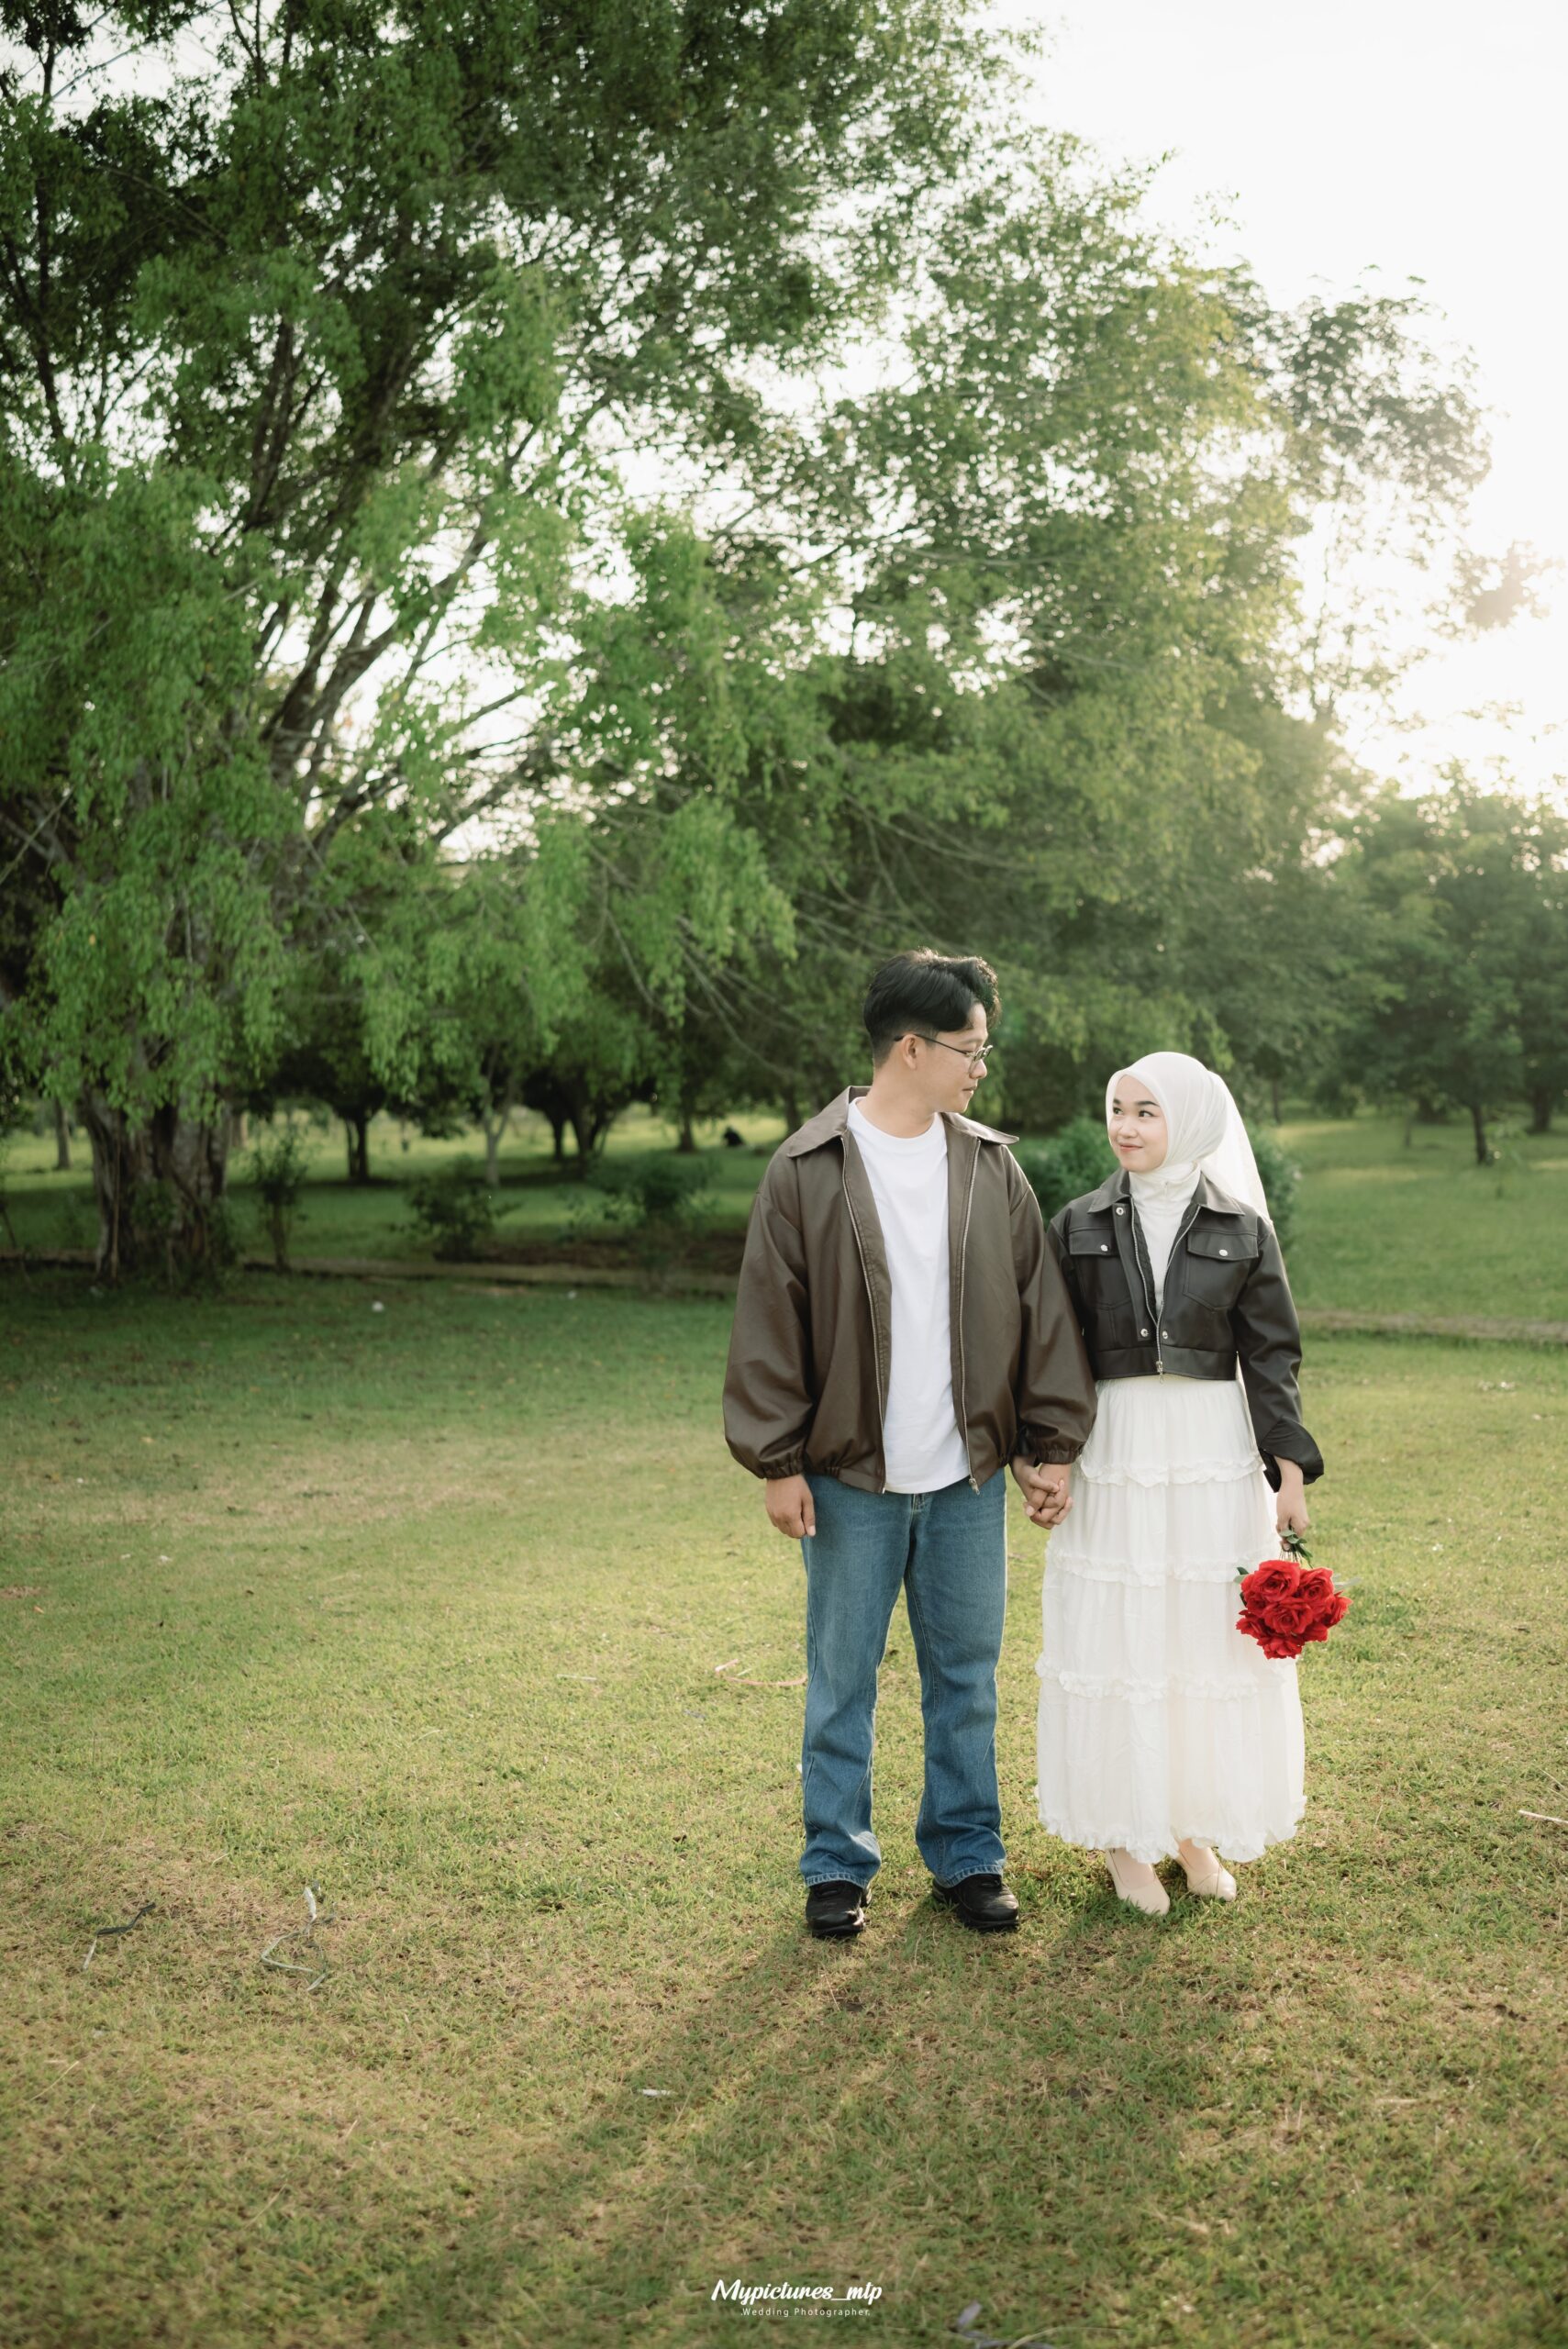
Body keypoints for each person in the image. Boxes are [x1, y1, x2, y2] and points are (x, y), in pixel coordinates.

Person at [723, 950, 1097, 1940]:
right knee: (840, 1679)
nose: (981, 1066)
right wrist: (778, 1463)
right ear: (910, 1048)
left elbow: (1038, 1308)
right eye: (969, 1049)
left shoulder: (988, 1164)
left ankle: (968, 1856)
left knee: (965, 1680)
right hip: (848, 1478)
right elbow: (769, 1323)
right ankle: (835, 1866)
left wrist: (1049, 1442)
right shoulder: (805, 1169)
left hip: (966, 1479)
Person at [1035, 1052, 1323, 1915]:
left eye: (1145, 1111)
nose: (1124, 1126)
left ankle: (1190, 1827)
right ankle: (1124, 1839)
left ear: (1189, 1120)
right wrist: (1051, 1451)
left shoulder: (1241, 1228)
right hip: (1116, 1449)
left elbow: (1271, 1356)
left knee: (1197, 1637)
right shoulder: (1077, 1223)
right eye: (1117, 1108)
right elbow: (1052, 1349)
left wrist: (1288, 1473)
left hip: (1209, 1451)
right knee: (1121, 1637)